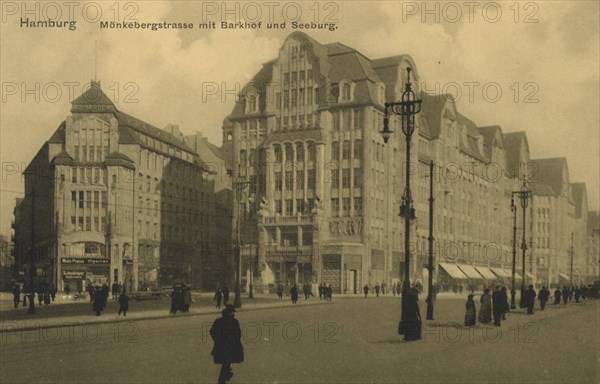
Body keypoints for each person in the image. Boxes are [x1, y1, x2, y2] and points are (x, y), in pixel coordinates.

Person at [210, 304, 244, 384]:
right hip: (231, 347)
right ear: (230, 312)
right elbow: (238, 334)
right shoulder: (234, 322)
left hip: (221, 347)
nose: (233, 314)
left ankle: (227, 374)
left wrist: (217, 340)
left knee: (226, 363)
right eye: (232, 312)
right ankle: (223, 379)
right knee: (227, 363)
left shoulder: (218, 321)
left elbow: (212, 332)